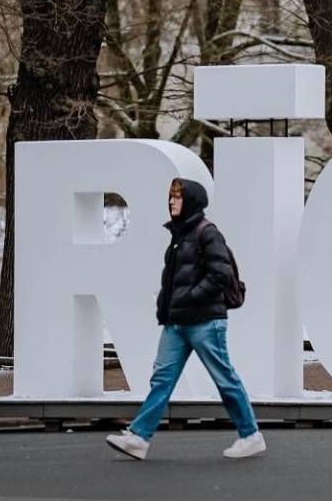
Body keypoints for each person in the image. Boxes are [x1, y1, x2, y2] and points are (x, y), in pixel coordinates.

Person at [106, 177, 265, 460]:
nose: (171, 202)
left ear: (191, 201)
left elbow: (220, 273)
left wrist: (192, 296)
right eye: (170, 197)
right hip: (176, 323)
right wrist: (165, 304)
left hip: (204, 321)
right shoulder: (179, 236)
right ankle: (139, 439)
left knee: (224, 378)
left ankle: (251, 435)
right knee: (162, 379)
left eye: (177, 197)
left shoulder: (207, 233)